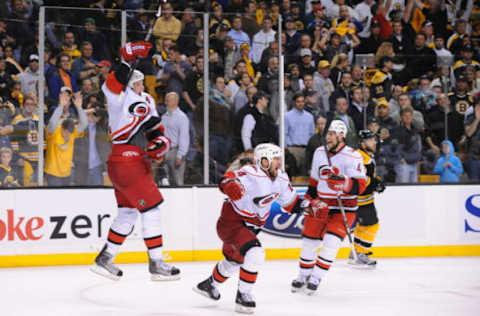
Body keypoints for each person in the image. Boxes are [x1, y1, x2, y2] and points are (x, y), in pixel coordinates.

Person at [91, 41, 180, 281]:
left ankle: (106, 257)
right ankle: (157, 262)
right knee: (151, 208)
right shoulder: (118, 98)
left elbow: (152, 128)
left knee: (128, 213)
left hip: (127, 160)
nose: (143, 85)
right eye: (138, 82)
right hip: (126, 160)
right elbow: (112, 82)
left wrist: (160, 141)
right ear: (131, 84)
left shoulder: (146, 101)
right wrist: (126, 59)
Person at [194, 143, 309, 313]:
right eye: (276, 159)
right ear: (264, 161)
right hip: (231, 222)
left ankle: (209, 285)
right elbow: (226, 179)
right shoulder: (250, 173)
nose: (280, 163)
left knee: (234, 261)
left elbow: (291, 203)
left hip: (250, 227)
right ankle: (243, 295)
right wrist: (230, 186)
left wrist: (309, 206)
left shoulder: (281, 178)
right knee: (255, 254)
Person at [291, 120, 366, 295]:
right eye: (327, 134)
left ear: (341, 135)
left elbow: (361, 185)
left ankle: (316, 277)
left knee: (331, 243)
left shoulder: (353, 156)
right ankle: (303, 275)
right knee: (309, 241)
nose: (328, 137)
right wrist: (309, 199)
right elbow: (314, 180)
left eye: (332, 134)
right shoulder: (319, 152)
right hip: (321, 205)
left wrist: (343, 183)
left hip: (344, 208)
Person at [349, 129, 385, 267]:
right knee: (372, 225)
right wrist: (375, 183)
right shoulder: (361, 157)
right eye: (371, 140)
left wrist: (375, 182)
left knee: (362, 226)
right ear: (363, 143)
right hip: (362, 199)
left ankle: (355, 252)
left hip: (363, 198)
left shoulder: (364, 155)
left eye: (374, 139)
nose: (374, 142)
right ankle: (362, 253)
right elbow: (361, 179)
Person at [44, 91, 88, 186]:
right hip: (53, 173)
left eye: (70, 132)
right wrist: (60, 106)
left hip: (67, 173)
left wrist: (79, 108)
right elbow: (52, 123)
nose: (68, 135)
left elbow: (84, 124)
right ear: (62, 128)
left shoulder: (72, 132)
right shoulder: (54, 131)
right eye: (66, 132)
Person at [160, 92, 190, 186]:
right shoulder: (163, 117)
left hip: (175, 151)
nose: (165, 103)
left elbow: (184, 137)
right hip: (164, 152)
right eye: (166, 100)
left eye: (167, 100)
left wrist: (180, 155)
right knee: (163, 181)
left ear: (175, 102)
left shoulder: (182, 118)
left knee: (177, 181)